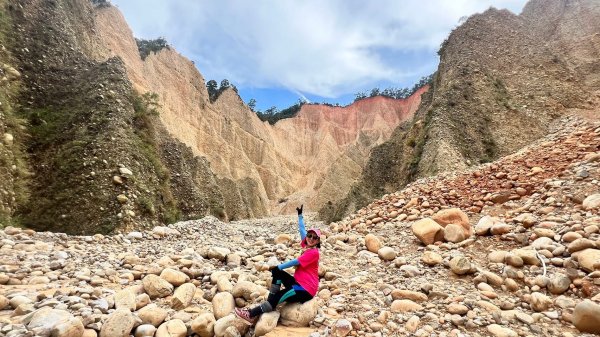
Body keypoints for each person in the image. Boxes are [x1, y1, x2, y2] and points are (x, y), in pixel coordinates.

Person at [234, 204, 321, 325]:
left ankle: (251, 314)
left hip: (305, 289)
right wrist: (300, 215)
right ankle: (270, 302)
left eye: (315, 238)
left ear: (318, 241)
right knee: (278, 274)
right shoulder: (307, 244)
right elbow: (302, 231)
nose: (311, 238)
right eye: (310, 236)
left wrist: (279, 266)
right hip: (298, 283)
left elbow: (295, 262)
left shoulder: (313, 253)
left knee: (280, 293)